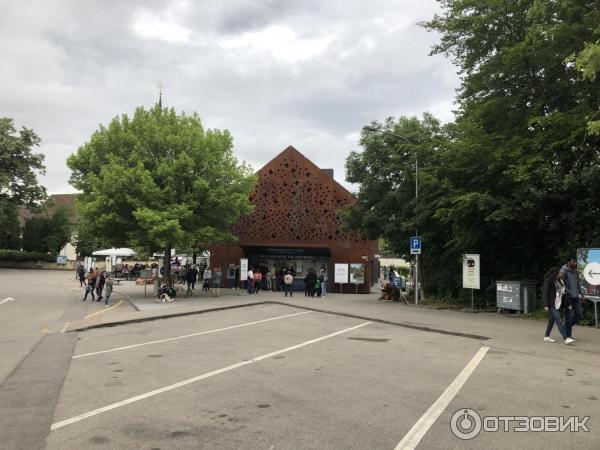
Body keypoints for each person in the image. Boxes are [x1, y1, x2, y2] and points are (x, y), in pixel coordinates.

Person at [542, 267, 574, 344]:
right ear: (555, 273)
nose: (562, 274)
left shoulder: (560, 281)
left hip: (558, 304)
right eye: (560, 273)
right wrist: (545, 304)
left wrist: (569, 304)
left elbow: (565, 293)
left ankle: (546, 336)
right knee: (559, 320)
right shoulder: (548, 281)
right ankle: (566, 338)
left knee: (551, 321)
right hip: (551, 304)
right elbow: (545, 293)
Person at [560, 257, 584, 340]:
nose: (575, 263)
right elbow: (562, 284)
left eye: (576, 262)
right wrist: (568, 292)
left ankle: (565, 326)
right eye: (574, 262)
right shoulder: (563, 271)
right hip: (568, 297)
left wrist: (581, 294)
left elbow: (578, 283)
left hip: (576, 297)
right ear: (568, 262)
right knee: (569, 316)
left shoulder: (576, 271)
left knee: (579, 314)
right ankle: (568, 336)